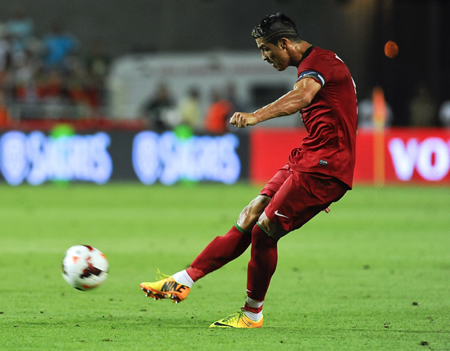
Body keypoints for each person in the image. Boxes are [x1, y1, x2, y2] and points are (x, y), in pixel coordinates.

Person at [140, 12, 358, 328]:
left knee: (265, 229)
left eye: (267, 49)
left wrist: (257, 115)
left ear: (285, 43)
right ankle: (182, 280)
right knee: (251, 214)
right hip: (307, 158)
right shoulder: (315, 63)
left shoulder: (320, 64)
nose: (264, 57)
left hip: (326, 167)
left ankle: (252, 314)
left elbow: (302, 96)